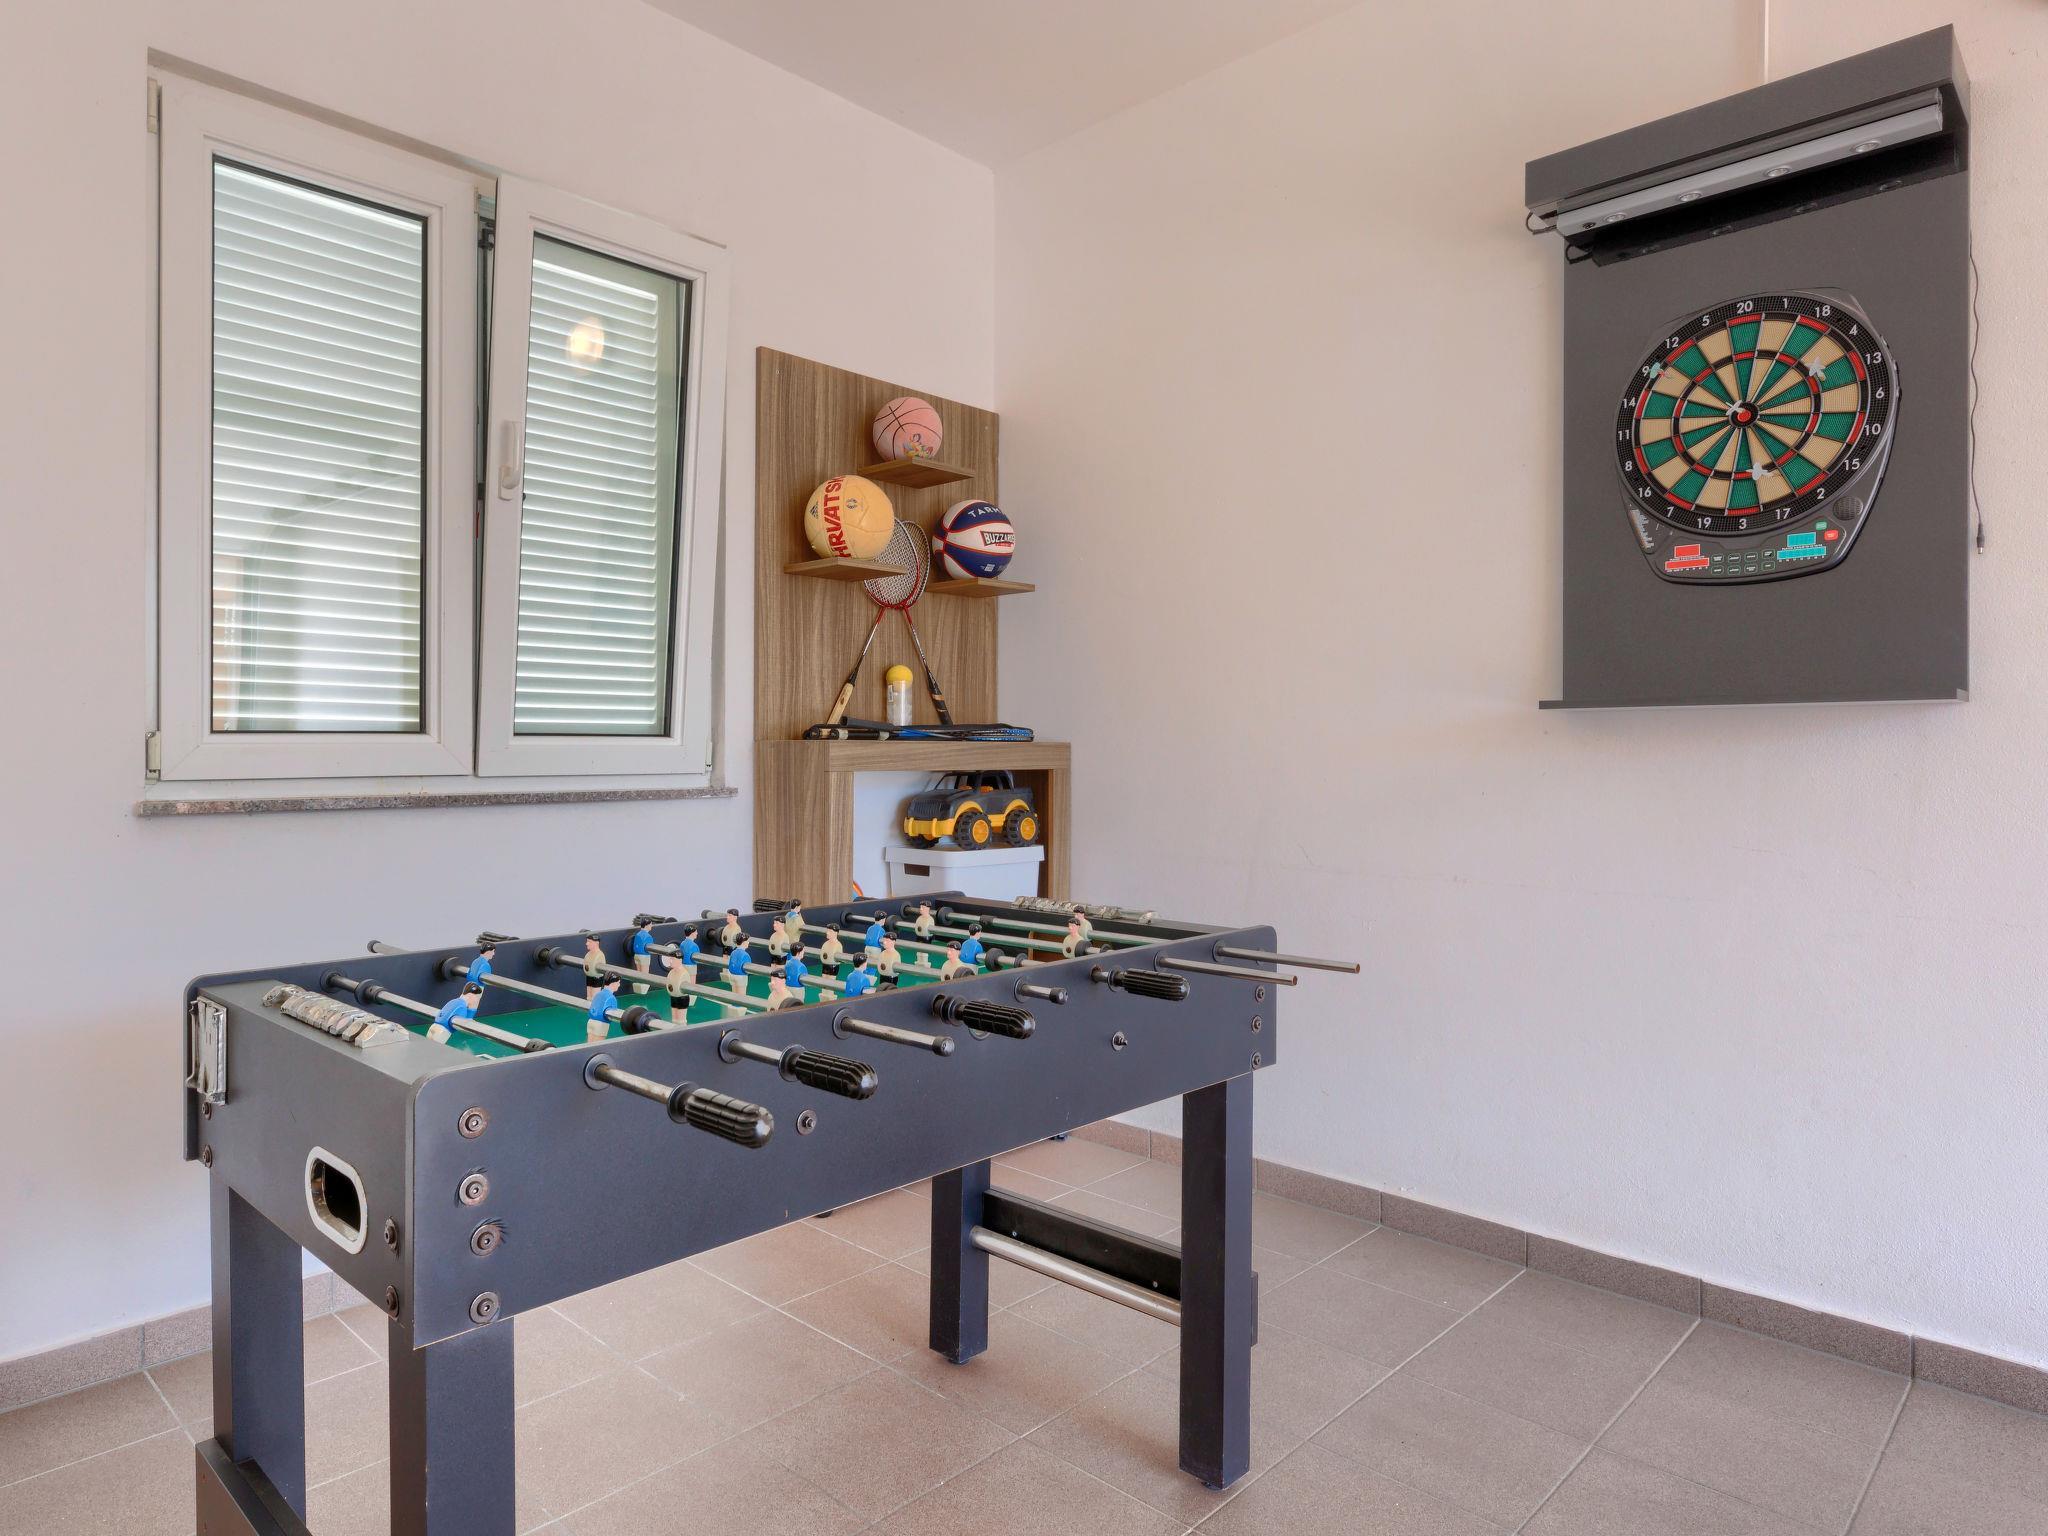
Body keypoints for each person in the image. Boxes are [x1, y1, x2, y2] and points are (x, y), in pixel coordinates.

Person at [586, 975, 621, 1042]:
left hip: (591, 1022)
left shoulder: (598, 994)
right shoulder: (611, 998)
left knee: (589, 1044)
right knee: (597, 1045)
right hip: (601, 1024)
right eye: (618, 982)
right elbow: (614, 1015)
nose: (619, 985)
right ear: (613, 983)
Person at [629, 918, 656, 992]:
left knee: (639, 973)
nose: (651, 926)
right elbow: (652, 948)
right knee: (644, 974)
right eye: (650, 924)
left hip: (637, 956)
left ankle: (638, 988)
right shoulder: (648, 936)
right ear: (646, 925)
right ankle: (643, 990)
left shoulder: (638, 934)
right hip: (644, 956)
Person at [583, 935, 608, 1000]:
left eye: (589, 942)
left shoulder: (600, 955)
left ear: (597, 943)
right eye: (587, 941)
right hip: (589, 977)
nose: (586, 943)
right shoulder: (588, 954)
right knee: (588, 997)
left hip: (597, 978)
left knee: (595, 998)